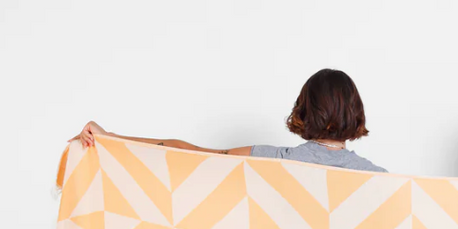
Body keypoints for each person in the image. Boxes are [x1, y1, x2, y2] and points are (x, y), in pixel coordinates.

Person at [72, 68, 387, 172]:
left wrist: (110, 138)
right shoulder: (380, 180)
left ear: (305, 111)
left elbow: (188, 152)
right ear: (354, 111)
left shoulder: (276, 161)